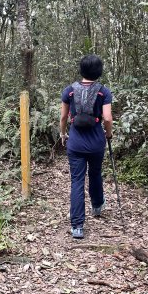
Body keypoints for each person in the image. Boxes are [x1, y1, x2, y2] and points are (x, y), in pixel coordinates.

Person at [59, 55, 113, 239]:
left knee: (77, 180)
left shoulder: (69, 91)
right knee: (95, 173)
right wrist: (108, 134)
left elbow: (64, 118)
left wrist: (62, 133)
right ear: (99, 72)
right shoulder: (103, 92)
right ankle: (97, 206)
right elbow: (107, 118)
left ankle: (77, 226)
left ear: (81, 70)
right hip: (96, 142)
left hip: (75, 142)